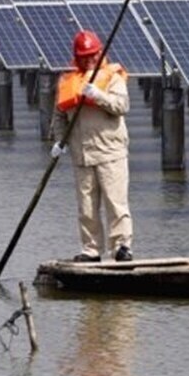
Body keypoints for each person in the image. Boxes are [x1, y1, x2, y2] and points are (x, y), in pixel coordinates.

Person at [50, 29, 133, 262]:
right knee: (86, 207)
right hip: (82, 154)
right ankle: (91, 249)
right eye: (84, 56)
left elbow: (121, 106)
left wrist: (98, 95)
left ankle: (121, 247)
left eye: (93, 55)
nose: (89, 60)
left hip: (110, 152)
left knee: (116, 203)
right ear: (76, 57)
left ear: (99, 54)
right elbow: (59, 115)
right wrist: (59, 140)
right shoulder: (68, 80)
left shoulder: (112, 78)